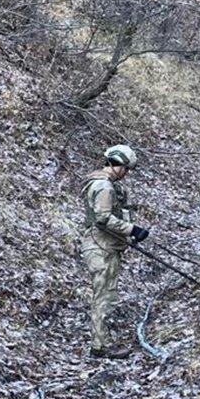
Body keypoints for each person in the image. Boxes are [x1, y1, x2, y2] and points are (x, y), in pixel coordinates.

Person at [80, 144, 149, 360]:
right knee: (104, 297)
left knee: (105, 295)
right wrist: (132, 230)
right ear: (116, 164)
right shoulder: (104, 187)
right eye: (126, 169)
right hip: (101, 248)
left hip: (105, 246)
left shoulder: (105, 184)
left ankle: (101, 342)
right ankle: (100, 346)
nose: (126, 174)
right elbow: (103, 218)